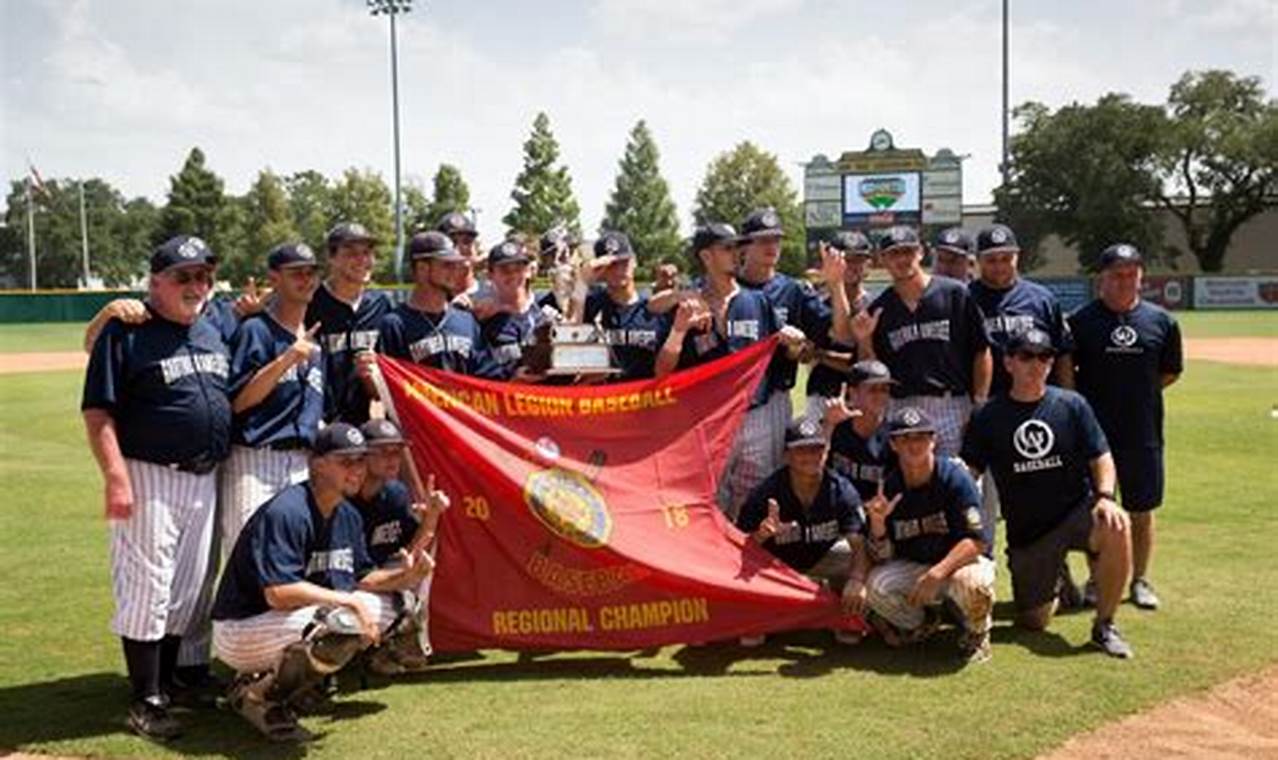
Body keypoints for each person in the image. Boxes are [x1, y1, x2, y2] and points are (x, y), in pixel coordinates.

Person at [81, 235, 231, 740]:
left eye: (203, 275)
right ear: (156, 283)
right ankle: (145, 698)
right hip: (149, 473)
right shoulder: (127, 331)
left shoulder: (212, 328)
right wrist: (116, 476)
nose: (196, 284)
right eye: (183, 276)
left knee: (188, 589)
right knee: (148, 586)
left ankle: (169, 684)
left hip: (205, 475)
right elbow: (98, 410)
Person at [212, 424, 435, 742]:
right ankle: (257, 694)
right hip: (243, 627)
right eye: (346, 461)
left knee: (401, 605)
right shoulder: (288, 511)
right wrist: (348, 601)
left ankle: (306, 683)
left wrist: (405, 578)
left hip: (290, 620)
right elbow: (277, 594)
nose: (357, 470)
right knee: (339, 624)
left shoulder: (346, 514)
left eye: (360, 460)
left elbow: (362, 578)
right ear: (317, 464)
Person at [961, 329, 1134, 658]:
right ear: (1008, 362)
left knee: (1117, 524)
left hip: (1076, 511)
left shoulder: (1071, 405)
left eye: (1044, 357)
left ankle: (1105, 625)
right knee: (1035, 621)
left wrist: (1105, 498)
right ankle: (1058, 579)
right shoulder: (988, 416)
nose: (1036, 364)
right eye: (1026, 356)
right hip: (1030, 532)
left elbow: (1101, 455)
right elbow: (971, 472)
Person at [654, 222, 806, 519]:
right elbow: (662, 369)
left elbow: (786, 350)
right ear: (706, 256)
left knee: (755, 500)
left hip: (756, 416)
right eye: (728, 248)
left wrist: (795, 344)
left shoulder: (757, 300)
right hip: (710, 419)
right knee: (708, 500)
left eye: (739, 247)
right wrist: (679, 328)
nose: (737, 253)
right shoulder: (688, 304)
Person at [1068, 243, 1183, 610]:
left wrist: (1135, 396)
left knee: (1142, 509)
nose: (1123, 281)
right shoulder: (1082, 322)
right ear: (1101, 278)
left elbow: (1169, 372)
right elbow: (1068, 375)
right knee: (1098, 510)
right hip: (1094, 435)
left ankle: (1140, 579)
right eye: (1116, 274)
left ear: (1141, 276)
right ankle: (1097, 579)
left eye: (1131, 274)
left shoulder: (1161, 322)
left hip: (1142, 431)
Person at [863, 407, 995, 664]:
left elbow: (977, 541)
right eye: (905, 438)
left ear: (933, 440)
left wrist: (939, 572)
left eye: (921, 437)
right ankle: (925, 621)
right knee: (876, 587)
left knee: (973, 586)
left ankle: (977, 633)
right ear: (893, 444)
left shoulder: (955, 477)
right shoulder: (889, 487)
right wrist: (878, 524)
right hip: (917, 566)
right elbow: (884, 556)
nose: (914, 445)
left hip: (960, 564)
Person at [221, 243, 325, 560]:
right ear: (275, 279)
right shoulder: (256, 331)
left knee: (297, 557)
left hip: (303, 463)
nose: (306, 280)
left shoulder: (316, 341)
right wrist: (287, 359)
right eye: (296, 273)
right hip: (256, 460)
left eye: (311, 272)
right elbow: (238, 402)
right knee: (248, 556)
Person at [852, 226, 992, 458]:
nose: (902, 259)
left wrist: (978, 405)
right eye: (894, 254)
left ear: (921, 253)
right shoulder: (879, 308)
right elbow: (873, 373)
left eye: (907, 251)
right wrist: (864, 339)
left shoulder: (954, 294)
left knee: (956, 478)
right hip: (901, 404)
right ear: (882, 260)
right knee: (908, 484)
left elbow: (981, 350)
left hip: (951, 403)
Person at [735, 417, 870, 647]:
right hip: (776, 564)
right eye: (801, 450)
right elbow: (738, 550)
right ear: (787, 455)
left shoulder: (842, 490)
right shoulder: (766, 492)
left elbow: (860, 546)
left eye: (817, 448)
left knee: (852, 557)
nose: (811, 456)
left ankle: (846, 613)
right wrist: (762, 535)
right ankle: (766, 612)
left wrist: (857, 581)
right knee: (751, 638)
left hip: (822, 556)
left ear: (826, 451)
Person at [737, 207, 855, 461]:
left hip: (773, 398)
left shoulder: (792, 290)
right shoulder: (726, 288)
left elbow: (841, 333)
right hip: (729, 397)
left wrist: (836, 285)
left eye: (776, 239)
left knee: (765, 479)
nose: (772, 246)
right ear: (744, 246)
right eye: (763, 239)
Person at [353, 419, 450, 674]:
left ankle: (395, 637)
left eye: (396, 451)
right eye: (382, 451)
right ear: (362, 455)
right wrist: (400, 579)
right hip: (340, 581)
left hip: (373, 575)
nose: (392, 458)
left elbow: (412, 550)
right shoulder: (343, 497)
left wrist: (432, 516)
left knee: (420, 563)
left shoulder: (395, 493)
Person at [307, 222, 393, 425]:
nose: (362, 260)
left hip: (361, 424)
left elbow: (381, 388)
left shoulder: (380, 305)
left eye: (367, 252)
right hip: (317, 424)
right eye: (351, 253)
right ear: (331, 258)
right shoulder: (310, 302)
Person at [376, 231, 496, 377]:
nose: (454, 271)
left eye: (455, 264)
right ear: (422, 268)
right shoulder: (394, 325)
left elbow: (486, 377)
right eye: (446, 265)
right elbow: (388, 384)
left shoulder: (467, 321)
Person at [569, 231, 667, 381]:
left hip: (645, 400)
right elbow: (567, 345)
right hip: (602, 399)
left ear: (634, 262)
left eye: (624, 262)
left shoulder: (653, 308)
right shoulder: (590, 306)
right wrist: (582, 282)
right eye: (610, 265)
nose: (618, 270)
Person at [804, 230, 874, 421]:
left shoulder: (875, 305)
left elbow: (862, 364)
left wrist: (821, 355)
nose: (852, 266)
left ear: (868, 264)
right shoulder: (816, 304)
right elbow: (806, 354)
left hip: (863, 398)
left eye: (859, 259)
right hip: (823, 393)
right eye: (846, 259)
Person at [480, 240, 554, 380]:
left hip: (548, 397)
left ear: (527, 272)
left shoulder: (546, 310)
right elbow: (475, 369)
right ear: (490, 275)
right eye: (505, 270)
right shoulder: (482, 319)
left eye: (518, 269)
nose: (513, 275)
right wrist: (511, 378)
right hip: (504, 398)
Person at [825, 360, 897, 503]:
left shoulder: (894, 436)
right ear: (853, 393)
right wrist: (829, 425)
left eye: (885, 389)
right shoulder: (836, 426)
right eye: (873, 389)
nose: (880, 396)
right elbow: (813, 467)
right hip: (838, 509)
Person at [437, 211, 485, 306]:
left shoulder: (495, 297)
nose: (461, 248)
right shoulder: (429, 301)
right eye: (453, 243)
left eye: (467, 241)